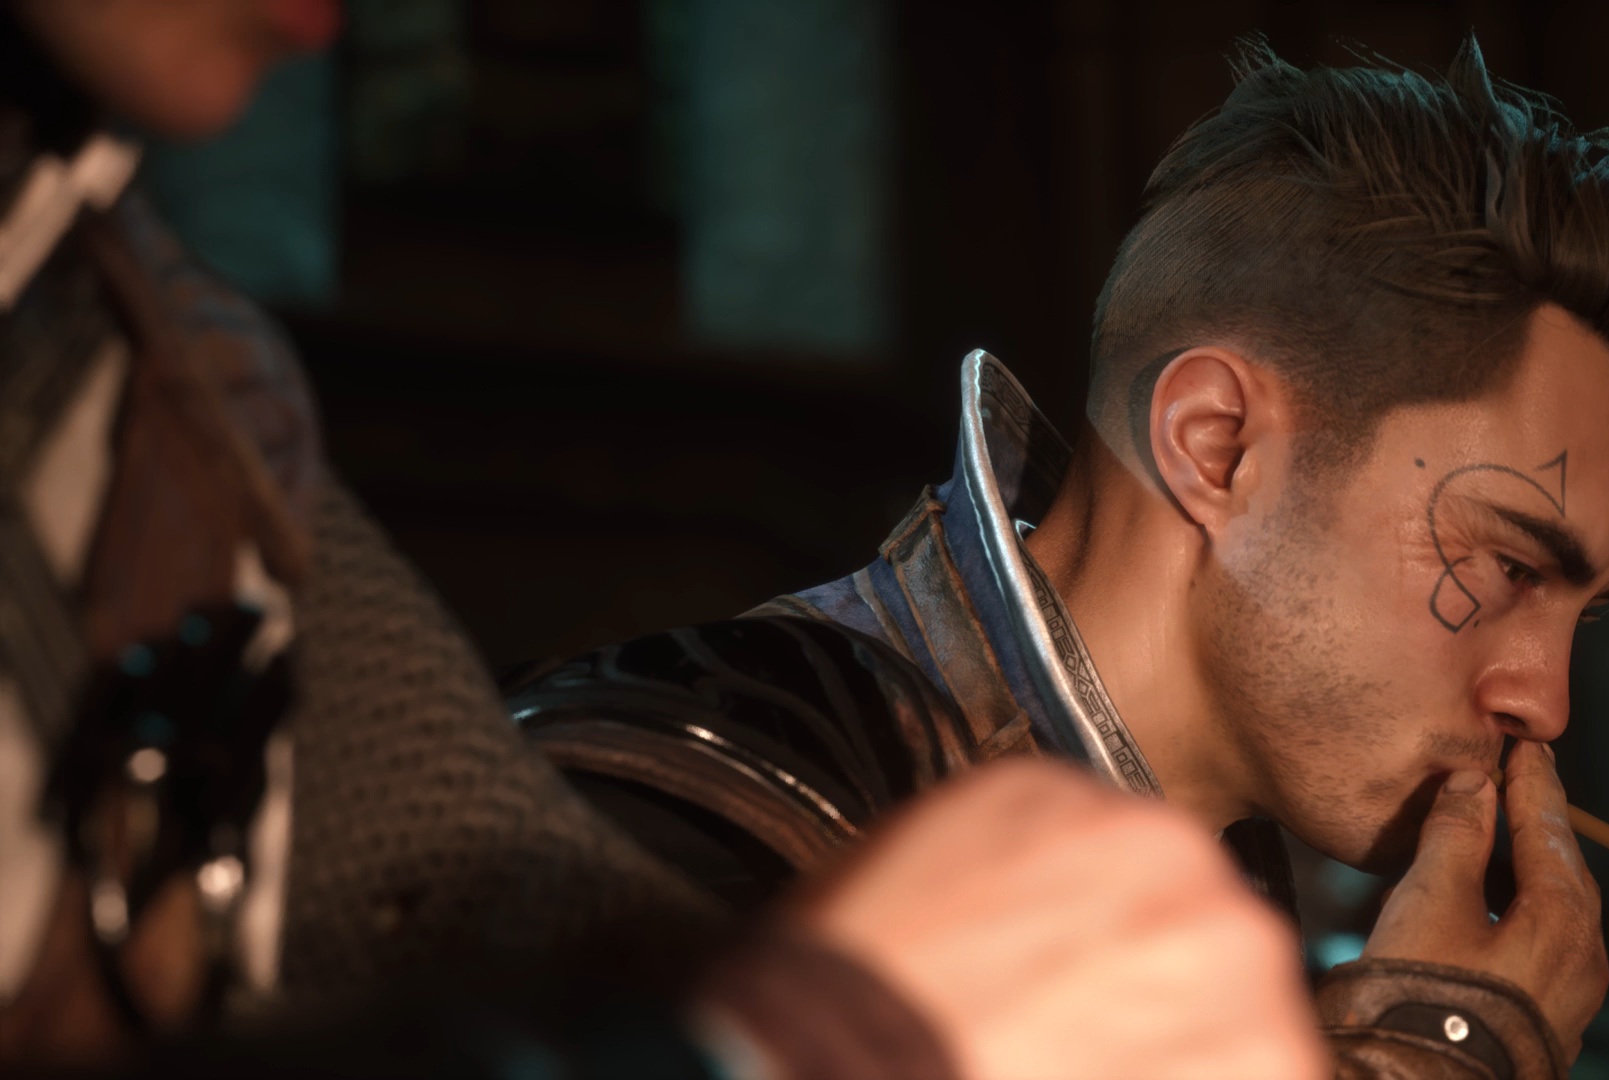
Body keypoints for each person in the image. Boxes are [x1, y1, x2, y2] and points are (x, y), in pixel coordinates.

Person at [0, 3, 1329, 1078]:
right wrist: (801, 1044)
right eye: (1453, 541)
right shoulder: (192, 407)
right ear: (1212, 441)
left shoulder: (182, 399)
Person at [511, 34, 1609, 1080]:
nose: (1543, 702)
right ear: (1216, 444)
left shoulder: (1226, 926)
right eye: (1508, 567)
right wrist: (1430, 1057)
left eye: (1582, 614)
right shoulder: (696, 800)